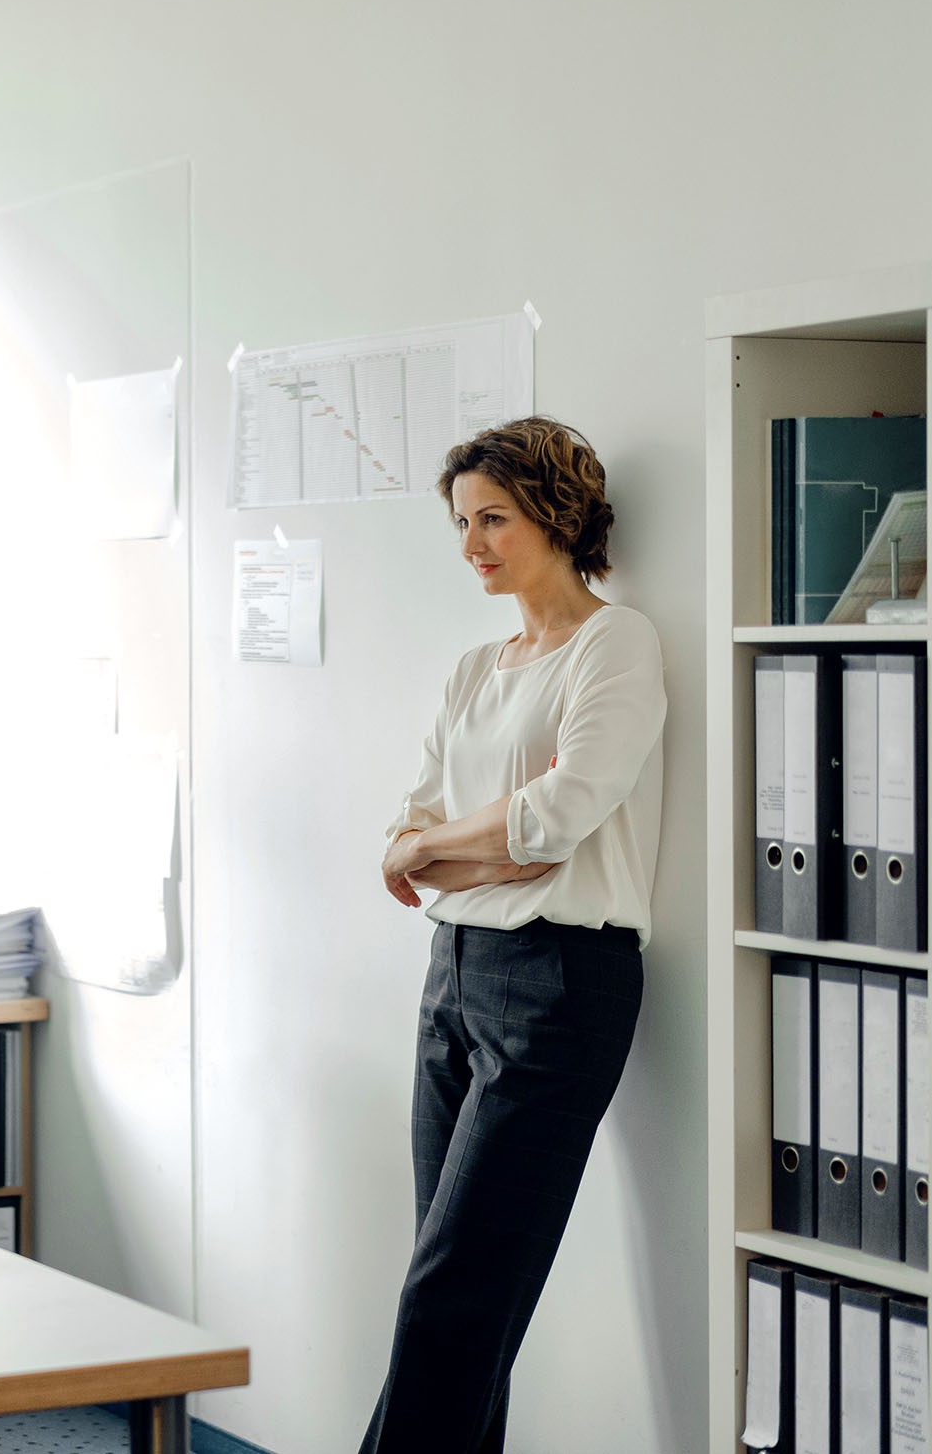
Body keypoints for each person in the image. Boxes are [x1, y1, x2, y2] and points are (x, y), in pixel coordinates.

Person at [359, 416, 666, 1454]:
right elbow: (403, 837)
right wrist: (473, 846)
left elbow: (563, 813)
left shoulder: (612, 641)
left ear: (554, 511)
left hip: (560, 982)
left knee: (455, 1294)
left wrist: (449, 850)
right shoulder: (473, 668)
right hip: (451, 975)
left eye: (491, 517)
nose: (471, 545)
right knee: (450, 1283)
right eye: (460, 523)